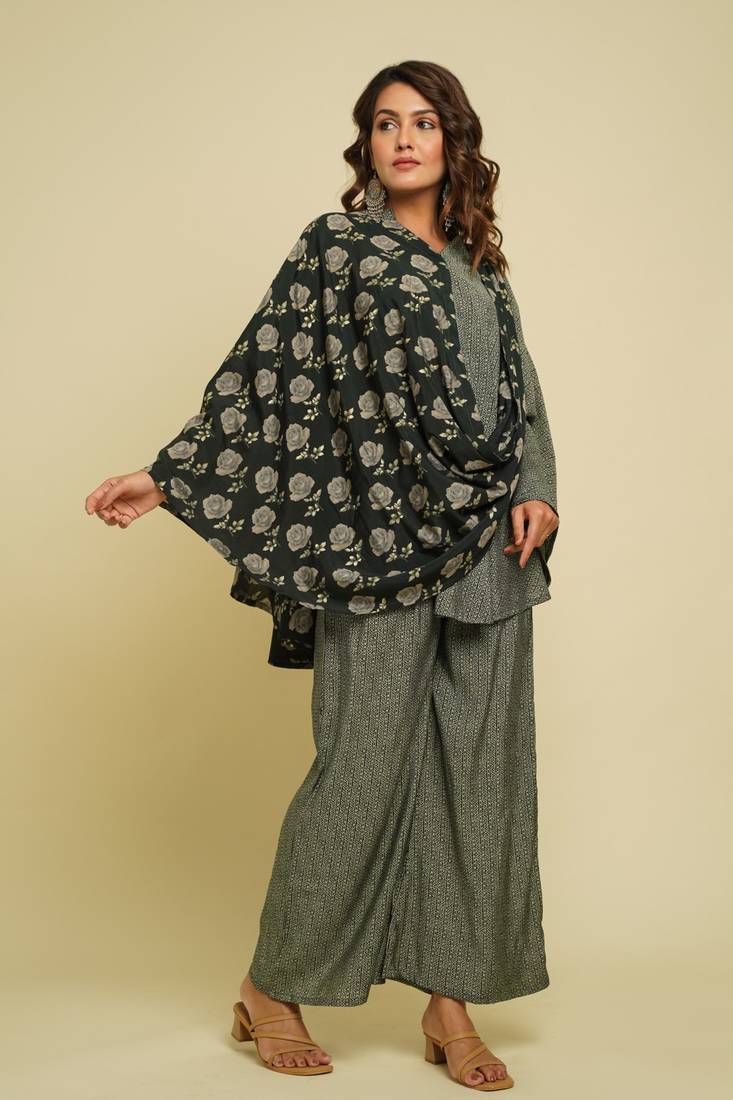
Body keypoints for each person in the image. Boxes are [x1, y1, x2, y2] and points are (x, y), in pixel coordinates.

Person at [85, 60, 559, 1092]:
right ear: (365, 144)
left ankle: (449, 1003)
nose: (404, 139)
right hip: (373, 544)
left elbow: (519, 394)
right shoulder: (337, 249)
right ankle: (271, 986)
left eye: (422, 122)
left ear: (454, 140)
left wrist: (537, 488)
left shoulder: (482, 262)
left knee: (478, 782)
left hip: (490, 549)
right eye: (385, 123)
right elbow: (263, 375)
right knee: (359, 769)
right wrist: (168, 479)